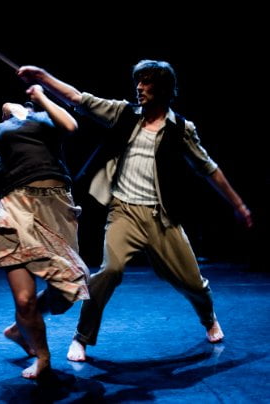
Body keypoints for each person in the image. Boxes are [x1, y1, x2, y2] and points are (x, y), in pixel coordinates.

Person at [17, 61, 253, 362]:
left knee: (192, 282)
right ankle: (81, 337)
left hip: (161, 218)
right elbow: (78, 99)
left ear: (163, 89)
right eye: (138, 81)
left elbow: (209, 169)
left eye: (146, 82)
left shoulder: (181, 129)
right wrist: (42, 77)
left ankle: (209, 318)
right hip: (124, 212)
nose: (139, 87)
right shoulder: (124, 113)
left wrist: (238, 205)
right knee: (110, 271)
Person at [0, 83, 90, 378]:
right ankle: (43, 356)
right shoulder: (0, 132)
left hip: (56, 209)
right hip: (17, 209)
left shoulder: (46, 122)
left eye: (16, 105)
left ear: (30, 109)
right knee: (25, 299)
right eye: (4, 111)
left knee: (68, 288)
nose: (8, 106)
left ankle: (19, 329)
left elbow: (71, 125)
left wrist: (41, 95)